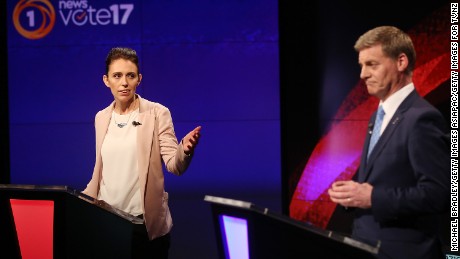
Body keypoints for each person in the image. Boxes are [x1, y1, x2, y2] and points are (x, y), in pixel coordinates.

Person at [328, 26, 449, 259]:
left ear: (401, 62)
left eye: (372, 64)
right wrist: (351, 194)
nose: (362, 74)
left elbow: (439, 194)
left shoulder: (422, 118)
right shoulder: (379, 116)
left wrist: (372, 197)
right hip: (369, 247)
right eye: (361, 66)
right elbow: (383, 176)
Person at [82, 47, 201, 258]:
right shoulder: (101, 117)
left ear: (139, 79)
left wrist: (185, 149)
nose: (124, 82)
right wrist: (80, 201)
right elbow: (101, 171)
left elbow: (175, 165)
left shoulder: (157, 113)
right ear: (106, 80)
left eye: (130, 75)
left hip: (142, 227)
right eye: (117, 76)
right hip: (107, 223)